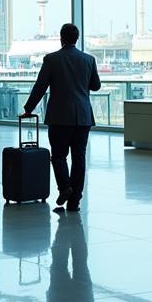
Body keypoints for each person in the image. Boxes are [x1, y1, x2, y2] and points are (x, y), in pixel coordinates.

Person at [21, 22, 102, 212]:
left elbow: (40, 87)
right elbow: (96, 86)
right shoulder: (89, 59)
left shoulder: (52, 59)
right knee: (79, 158)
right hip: (83, 116)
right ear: (77, 38)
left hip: (59, 116)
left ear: (61, 37)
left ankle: (65, 187)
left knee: (58, 156)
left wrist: (28, 108)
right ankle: (75, 200)